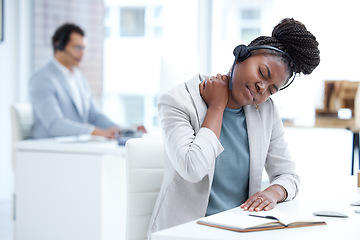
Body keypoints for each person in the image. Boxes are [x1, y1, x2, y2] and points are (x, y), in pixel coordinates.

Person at [147, 18, 320, 235]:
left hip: (238, 229)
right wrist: (217, 106)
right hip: (186, 233)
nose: (261, 87)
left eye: (271, 89)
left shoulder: (267, 112)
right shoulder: (178, 101)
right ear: (242, 54)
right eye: (262, 73)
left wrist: (273, 193)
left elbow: (288, 175)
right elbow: (193, 169)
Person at [29, 23, 119, 139]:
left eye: (84, 48)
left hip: (74, 147)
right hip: (49, 148)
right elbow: (54, 124)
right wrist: (95, 132)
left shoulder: (79, 77)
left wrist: (120, 130)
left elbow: (94, 115)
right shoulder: (42, 78)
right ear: (59, 45)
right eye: (77, 47)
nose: (82, 53)